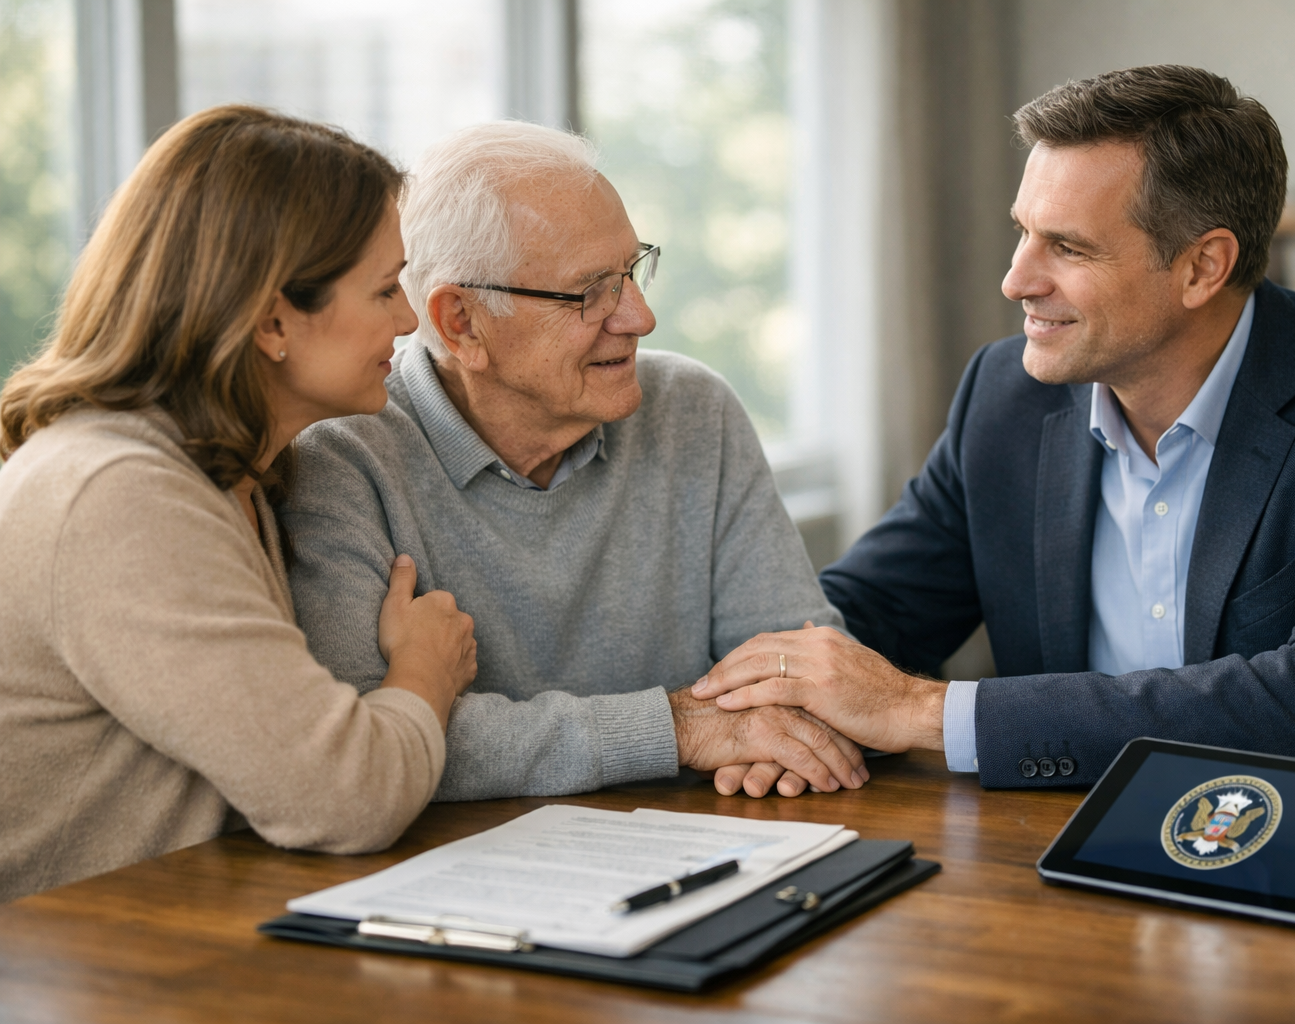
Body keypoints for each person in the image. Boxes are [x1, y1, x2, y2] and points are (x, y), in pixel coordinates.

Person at [694, 65, 1295, 791]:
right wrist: (777, 715)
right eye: (1022, 232)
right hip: (1083, 842)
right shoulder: (1004, 396)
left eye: (1067, 247)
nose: (1016, 279)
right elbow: (871, 610)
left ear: (1203, 266)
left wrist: (922, 712)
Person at [280, 121, 866, 803]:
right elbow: (367, 749)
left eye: (631, 271)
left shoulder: (692, 410)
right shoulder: (338, 459)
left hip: (712, 837)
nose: (639, 317)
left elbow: (809, 675)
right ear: (461, 322)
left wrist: (773, 740)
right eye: (590, 291)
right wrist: (678, 729)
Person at [0, 105, 479, 902]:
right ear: (271, 320)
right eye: (384, 289)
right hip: (72, 955)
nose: (407, 318)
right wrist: (425, 669)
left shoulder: (233, 474)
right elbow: (346, 798)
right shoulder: (120, 497)